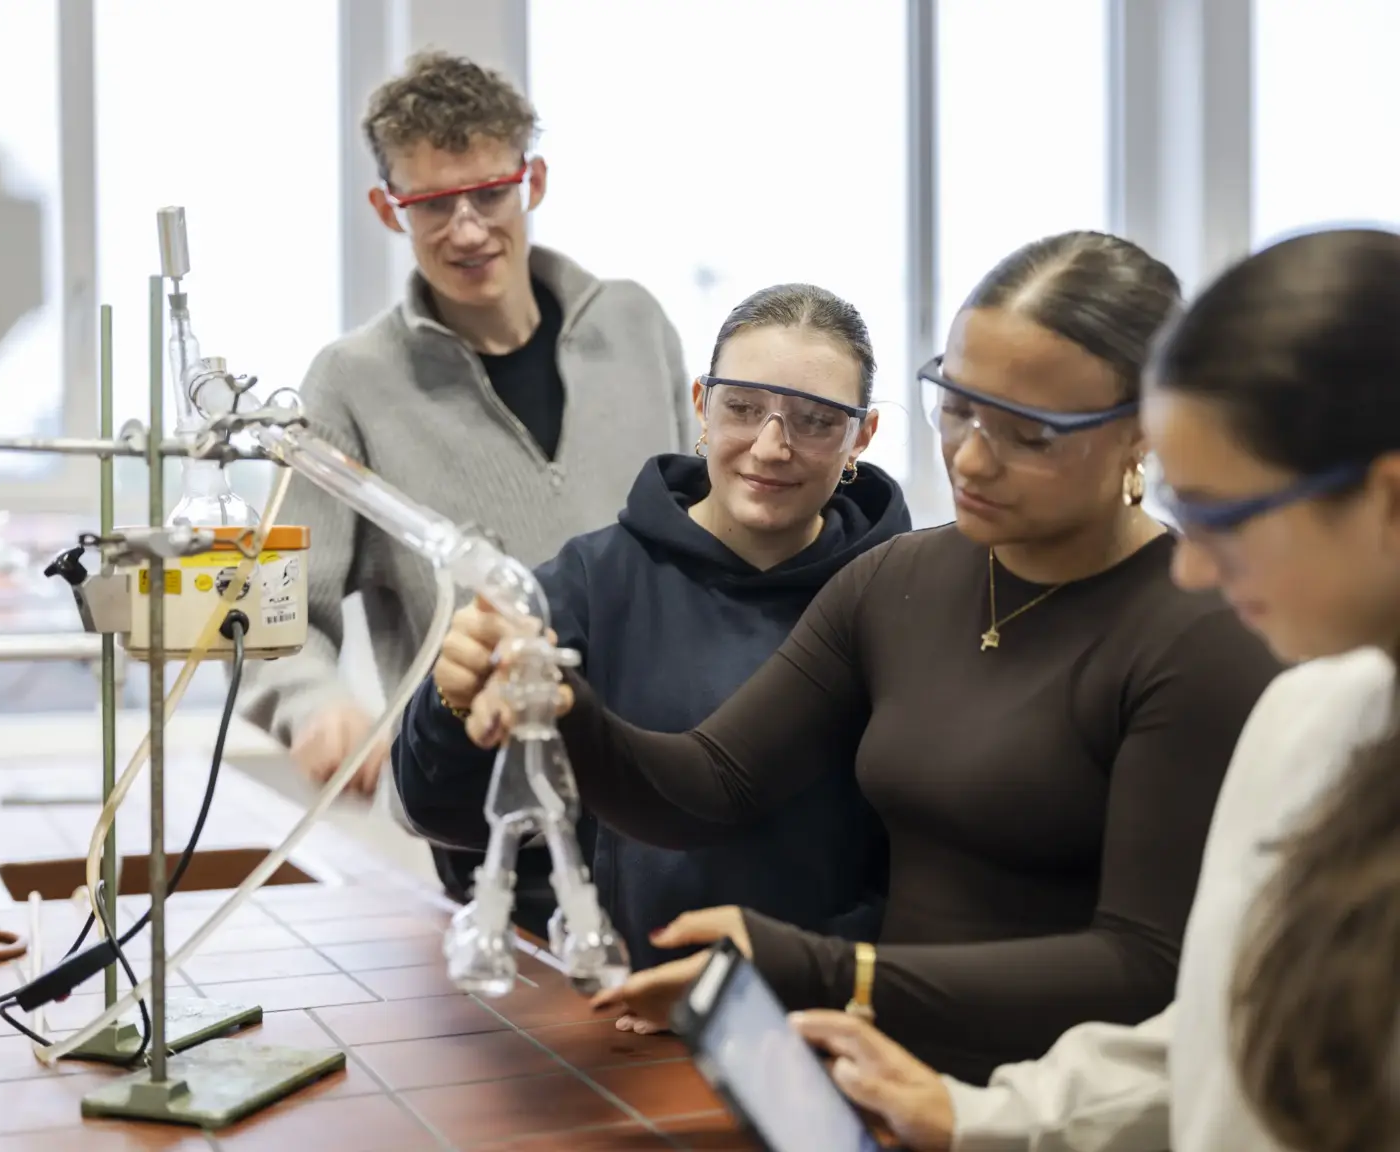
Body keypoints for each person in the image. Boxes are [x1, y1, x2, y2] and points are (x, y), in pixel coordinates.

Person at [444, 230, 1284, 1083]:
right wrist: (561, 703)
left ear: (1143, 431)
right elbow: (712, 782)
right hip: (889, 1083)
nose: (970, 455)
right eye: (957, 406)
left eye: (1029, 433)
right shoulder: (898, 580)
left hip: (1064, 1110)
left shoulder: (1198, 632)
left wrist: (829, 972)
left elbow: (1144, 964)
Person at [787, 226, 1400, 1152]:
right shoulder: (1312, 715)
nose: (1192, 568)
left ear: (1387, 500)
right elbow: (1220, 1023)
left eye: (1225, 518)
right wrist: (979, 1115)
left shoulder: (1239, 671)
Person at [234, 52, 694, 904]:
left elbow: (704, 542)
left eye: (489, 194)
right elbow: (272, 610)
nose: (469, 229)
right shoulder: (350, 383)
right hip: (495, 822)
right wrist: (313, 702)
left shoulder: (635, 327)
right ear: (387, 209)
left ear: (533, 181)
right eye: (432, 205)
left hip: (668, 792)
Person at [389, 282, 912, 967]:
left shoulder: (901, 597)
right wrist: (452, 701)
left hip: (832, 1001)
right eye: (743, 408)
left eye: (815, 420)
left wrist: (820, 976)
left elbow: (927, 858)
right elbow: (446, 814)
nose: (770, 446)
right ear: (702, 405)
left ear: (860, 437)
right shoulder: (595, 581)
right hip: (634, 1002)